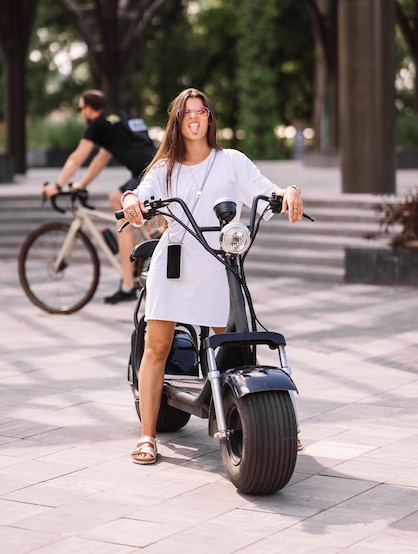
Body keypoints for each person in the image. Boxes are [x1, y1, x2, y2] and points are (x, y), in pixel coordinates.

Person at [121, 87, 304, 464]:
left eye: (200, 110)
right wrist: (131, 201)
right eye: (186, 111)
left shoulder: (232, 161)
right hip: (175, 262)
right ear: (177, 120)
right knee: (157, 347)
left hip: (219, 260)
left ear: (208, 117)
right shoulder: (164, 168)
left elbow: (266, 190)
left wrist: (289, 192)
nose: (194, 116)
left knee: (230, 346)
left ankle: (262, 423)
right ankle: (148, 436)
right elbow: (139, 193)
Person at [42, 89, 157, 303]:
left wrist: (57, 186)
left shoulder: (98, 125)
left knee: (121, 211)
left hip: (147, 175)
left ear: (87, 108)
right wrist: (81, 184)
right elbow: (101, 159)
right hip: (153, 169)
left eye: (80, 108)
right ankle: (140, 247)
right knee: (116, 197)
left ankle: (127, 283)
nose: (81, 112)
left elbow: (77, 157)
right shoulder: (118, 119)